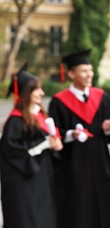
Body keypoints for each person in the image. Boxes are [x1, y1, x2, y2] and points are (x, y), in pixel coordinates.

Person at [48, 49, 110, 228]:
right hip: (72, 166)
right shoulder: (58, 102)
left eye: (91, 70)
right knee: (77, 207)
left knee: (104, 202)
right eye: (84, 71)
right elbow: (53, 132)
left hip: (100, 164)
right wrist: (69, 135)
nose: (90, 74)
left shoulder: (101, 97)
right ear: (71, 73)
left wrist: (109, 129)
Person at [0, 63, 63, 228]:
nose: (42, 93)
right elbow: (11, 150)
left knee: (43, 217)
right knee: (26, 220)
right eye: (37, 90)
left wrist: (55, 144)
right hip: (23, 183)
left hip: (41, 178)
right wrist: (44, 144)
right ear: (26, 93)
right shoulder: (15, 121)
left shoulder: (40, 115)